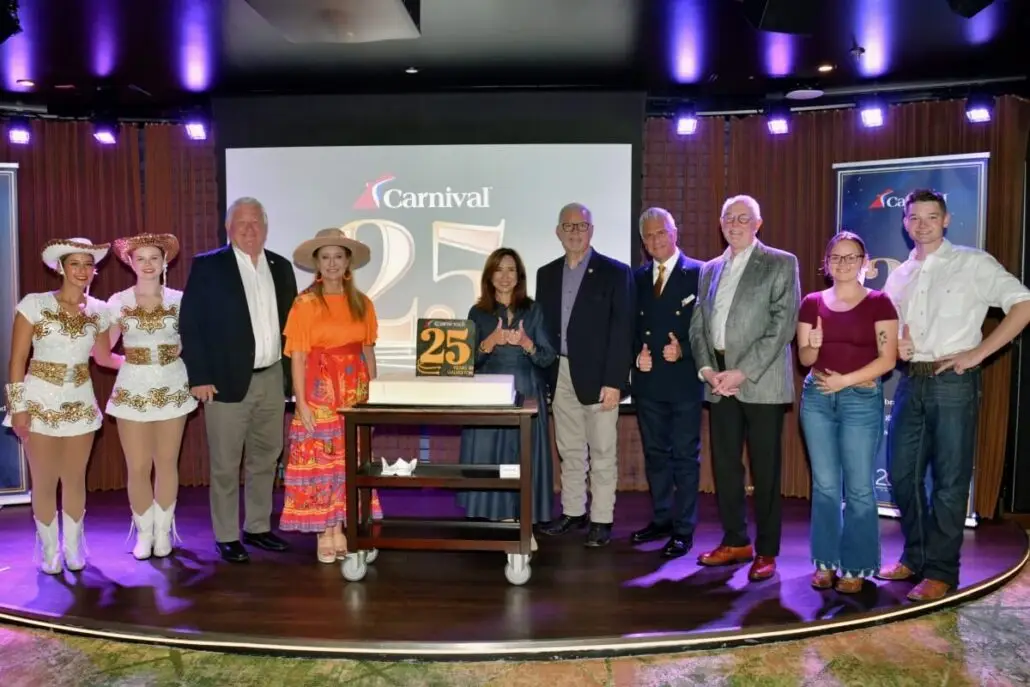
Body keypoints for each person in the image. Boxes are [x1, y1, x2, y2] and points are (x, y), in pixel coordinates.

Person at [878, 188, 1030, 601]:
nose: (922, 223)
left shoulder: (973, 263)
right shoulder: (900, 273)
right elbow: (887, 329)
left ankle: (942, 571)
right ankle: (917, 555)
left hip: (954, 382)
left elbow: (1023, 305)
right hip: (912, 380)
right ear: (905, 223)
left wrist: (979, 352)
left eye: (931, 216)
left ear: (945, 220)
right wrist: (894, 347)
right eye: (914, 217)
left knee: (949, 481)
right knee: (902, 474)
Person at [180, 197, 299, 564]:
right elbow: (191, 324)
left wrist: (292, 380)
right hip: (224, 381)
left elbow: (292, 327)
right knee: (226, 463)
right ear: (228, 228)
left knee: (266, 457)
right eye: (241, 223)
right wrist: (198, 376)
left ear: (266, 227)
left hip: (272, 377)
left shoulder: (280, 266)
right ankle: (227, 535)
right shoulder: (208, 266)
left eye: (256, 223)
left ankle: (258, 527)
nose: (249, 229)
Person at [687, 195, 800, 582]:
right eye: (728, 218)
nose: (734, 224)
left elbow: (782, 327)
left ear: (758, 223)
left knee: (765, 471)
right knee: (725, 467)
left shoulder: (781, 263)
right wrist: (706, 369)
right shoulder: (709, 269)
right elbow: (698, 325)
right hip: (718, 382)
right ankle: (736, 541)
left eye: (743, 218)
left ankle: (767, 551)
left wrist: (742, 372)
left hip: (760, 382)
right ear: (720, 224)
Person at [3, 238, 121, 573]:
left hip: (80, 402)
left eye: (88, 264)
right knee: (44, 480)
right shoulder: (34, 305)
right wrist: (18, 408)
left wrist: (148, 362)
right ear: (60, 267)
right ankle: (49, 549)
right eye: (75, 264)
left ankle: (73, 547)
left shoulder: (99, 311)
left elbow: (102, 357)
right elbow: (16, 361)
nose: (82, 271)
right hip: (38, 400)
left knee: (74, 479)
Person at [796, 232, 898, 593]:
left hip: (859, 400)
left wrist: (847, 381)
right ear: (826, 264)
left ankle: (856, 566)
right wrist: (812, 345)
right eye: (836, 257)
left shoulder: (880, 302)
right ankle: (825, 562)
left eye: (851, 257)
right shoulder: (811, 303)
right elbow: (804, 359)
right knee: (824, 486)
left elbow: (888, 358)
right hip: (818, 399)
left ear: (864, 262)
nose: (843, 263)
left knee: (858, 488)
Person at [535, 202, 634, 547]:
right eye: (569, 226)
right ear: (558, 232)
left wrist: (616, 382)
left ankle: (601, 519)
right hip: (559, 371)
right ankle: (574, 511)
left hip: (600, 376)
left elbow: (623, 331)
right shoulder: (545, 274)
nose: (575, 232)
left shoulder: (615, 272)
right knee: (569, 448)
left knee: (603, 450)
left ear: (592, 231)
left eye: (582, 226)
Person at [280, 228, 382, 562]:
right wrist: (301, 402)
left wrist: (376, 395)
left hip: (355, 393)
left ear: (348, 261)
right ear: (317, 264)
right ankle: (327, 532)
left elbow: (368, 352)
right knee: (323, 461)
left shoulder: (363, 303)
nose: (333, 263)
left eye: (338, 256)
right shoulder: (305, 303)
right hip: (319, 392)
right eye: (326, 257)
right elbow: (297, 355)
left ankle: (346, 525)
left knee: (350, 460)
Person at [103, 233, 198, 560]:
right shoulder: (118, 302)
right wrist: (133, 362)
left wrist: (174, 355)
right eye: (140, 258)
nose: (147, 264)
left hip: (172, 386)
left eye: (153, 258)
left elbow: (194, 342)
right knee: (139, 465)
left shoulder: (181, 300)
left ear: (165, 261)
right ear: (129, 262)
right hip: (132, 390)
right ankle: (144, 534)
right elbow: (102, 353)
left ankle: (163, 531)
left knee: (167, 462)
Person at [458, 248, 556, 547]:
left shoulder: (534, 310)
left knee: (524, 455)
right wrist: (489, 343)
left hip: (527, 390)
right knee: (493, 455)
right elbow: (465, 364)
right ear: (489, 276)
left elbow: (547, 357)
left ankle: (523, 516)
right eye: (498, 269)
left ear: (519, 276)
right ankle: (496, 514)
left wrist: (527, 343)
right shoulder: (478, 313)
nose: (505, 276)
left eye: (511, 269)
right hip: (489, 392)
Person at [630, 208, 703, 559]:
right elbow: (627, 327)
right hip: (648, 383)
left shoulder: (700, 274)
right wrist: (635, 357)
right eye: (648, 236)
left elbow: (710, 330)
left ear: (676, 232)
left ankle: (684, 528)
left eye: (662, 232)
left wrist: (685, 350)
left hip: (685, 381)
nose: (656, 240)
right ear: (643, 242)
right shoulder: (638, 277)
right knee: (655, 455)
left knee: (685, 457)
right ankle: (661, 518)